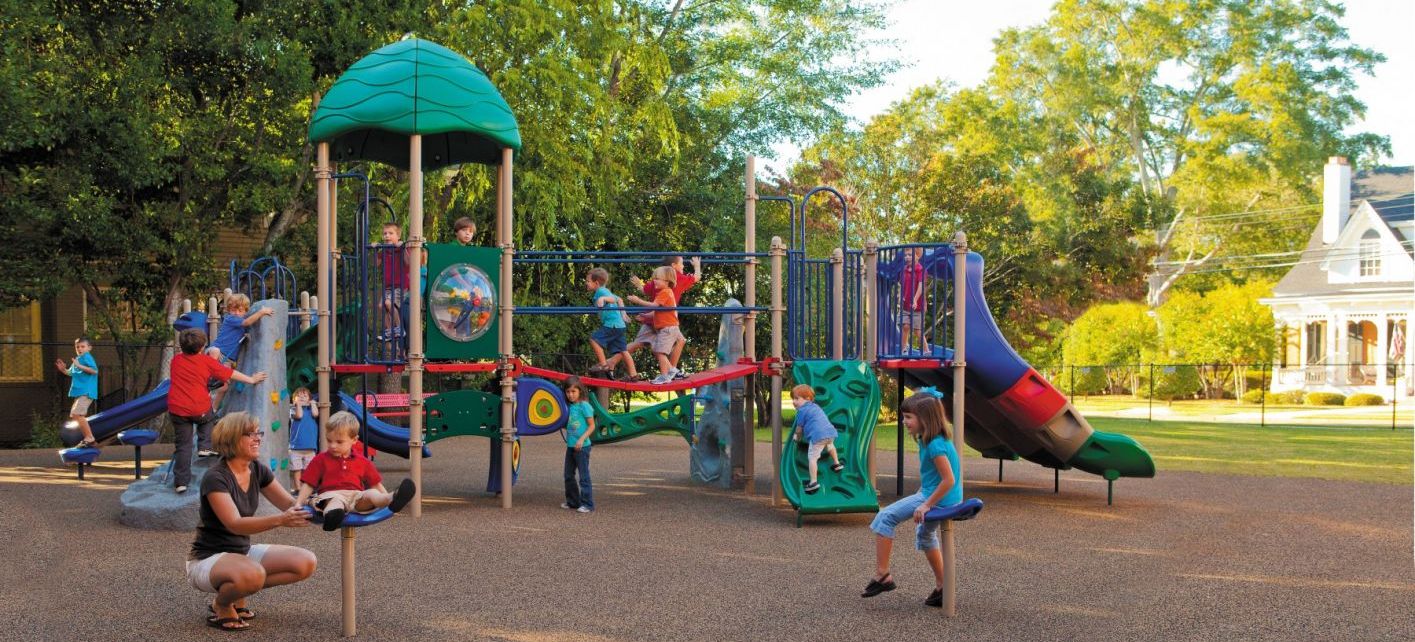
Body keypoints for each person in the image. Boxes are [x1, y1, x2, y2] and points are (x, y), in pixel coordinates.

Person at [187, 411, 316, 631]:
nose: (257, 438)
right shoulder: (216, 477)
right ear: (230, 439)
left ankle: (240, 587)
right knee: (254, 574)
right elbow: (235, 523)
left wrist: (327, 505)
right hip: (208, 559)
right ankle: (222, 603)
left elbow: (289, 504)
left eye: (258, 432)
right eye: (250, 434)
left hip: (241, 553)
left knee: (305, 562)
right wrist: (280, 520)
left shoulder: (257, 469)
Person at [861, 389, 962, 608]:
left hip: (940, 497)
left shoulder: (935, 444)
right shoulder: (930, 440)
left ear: (925, 418)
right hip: (938, 495)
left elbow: (949, 480)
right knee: (925, 535)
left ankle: (883, 575)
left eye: (908, 417)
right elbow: (935, 478)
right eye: (904, 416)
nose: (904, 421)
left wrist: (926, 504)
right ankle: (942, 586)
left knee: (885, 517)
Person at [169, 328, 267, 493]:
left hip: (177, 409)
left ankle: (181, 483)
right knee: (208, 419)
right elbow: (230, 373)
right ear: (201, 348)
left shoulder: (176, 360)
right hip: (198, 407)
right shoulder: (206, 362)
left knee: (183, 446)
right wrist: (251, 379)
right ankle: (205, 445)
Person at [294, 411, 415, 531]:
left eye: (339, 442)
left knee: (371, 493)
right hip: (331, 495)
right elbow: (308, 484)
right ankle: (333, 517)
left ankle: (391, 498)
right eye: (329, 440)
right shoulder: (320, 459)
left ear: (354, 440)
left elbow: (375, 484)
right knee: (335, 502)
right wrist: (299, 503)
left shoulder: (362, 461)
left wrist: (386, 504)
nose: (332, 446)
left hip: (356, 497)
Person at [605, 255, 701, 376]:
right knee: (678, 341)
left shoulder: (657, 280)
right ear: (673, 266)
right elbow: (696, 277)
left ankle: (611, 361)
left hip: (654, 317)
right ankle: (672, 372)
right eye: (681, 263)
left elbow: (644, 290)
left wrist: (639, 285)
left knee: (639, 343)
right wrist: (697, 265)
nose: (683, 266)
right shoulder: (677, 277)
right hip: (663, 318)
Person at [207, 293, 274, 409]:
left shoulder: (242, 322)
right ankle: (209, 373)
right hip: (218, 353)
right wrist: (262, 312)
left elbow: (248, 327)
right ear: (229, 310)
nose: (237, 313)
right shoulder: (230, 319)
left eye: (241, 311)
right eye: (233, 310)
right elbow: (247, 322)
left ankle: (213, 408)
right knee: (215, 351)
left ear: (246, 311)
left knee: (224, 387)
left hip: (228, 359)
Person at [625, 266, 685, 385]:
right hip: (669, 327)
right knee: (657, 350)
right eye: (654, 278)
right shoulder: (664, 292)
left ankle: (664, 377)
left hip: (667, 328)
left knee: (660, 352)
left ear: (667, 281)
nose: (654, 281)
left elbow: (654, 306)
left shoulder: (665, 292)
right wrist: (645, 316)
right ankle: (672, 370)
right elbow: (656, 312)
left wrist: (638, 301)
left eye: (657, 279)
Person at [584, 268, 638, 381]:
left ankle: (604, 366)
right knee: (623, 350)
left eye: (588, 281)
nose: (586, 283)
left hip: (611, 325)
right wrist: (623, 314)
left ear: (596, 283)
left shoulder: (601, 292)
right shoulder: (605, 290)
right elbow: (619, 299)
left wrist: (603, 298)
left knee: (593, 339)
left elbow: (613, 299)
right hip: (619, 325)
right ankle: (634, 375)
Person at [790, 384, 843, 494]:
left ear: (808, 399)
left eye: (796, 399)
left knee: (812, 458)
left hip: (818, 436)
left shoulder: (801, 411)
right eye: (793, 399)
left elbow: (799, 428)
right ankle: (837, 463)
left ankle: (813, 482)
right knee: (830, 445)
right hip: (830, 432)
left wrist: (796, 437)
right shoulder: (816, 407)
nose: (794, 402)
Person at [560, 377, 597, 513]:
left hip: (582, 447)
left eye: (573, 391)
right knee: (568, 475)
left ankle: (588, 504)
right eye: (568, 391)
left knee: (584, 476)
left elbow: (592, 426)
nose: (570, 394)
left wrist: (581, 439)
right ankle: (573, 502)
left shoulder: (584, 406)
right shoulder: (568, 406)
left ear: (580, 391)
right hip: (570, 446)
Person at [54, 337, 99, 447]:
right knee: (76, 415)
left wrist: (79, 365)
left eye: (82, 346)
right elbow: (71, 373)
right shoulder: (78, 359)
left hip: (87, 391)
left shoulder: (86, 357)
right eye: (77, 347)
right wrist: (63, 370)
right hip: (80, 392)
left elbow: (94, 371)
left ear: (89, 348)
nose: (79, 348)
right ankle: (90, 440)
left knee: (76, 414)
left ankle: (90, 437)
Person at [377, 222, 408, 342]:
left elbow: (407, 262)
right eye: (385, 233)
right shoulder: (384, 250)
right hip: (388, 286)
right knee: (381, 306)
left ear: (398, 236)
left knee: (388, 303)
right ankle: (389, 331)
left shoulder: (400, 249)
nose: (387, 236)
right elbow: (376, 264)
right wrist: (377, 249)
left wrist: (402, 246)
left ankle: (399, 328)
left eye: (390, 233)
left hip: (400, 285)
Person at [287, 387, 318, 491]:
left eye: (305, 396)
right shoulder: (293, 409)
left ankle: (307, 488)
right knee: (297, 469)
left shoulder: (310, 409)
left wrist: (313, 404)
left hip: (310, 446)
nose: (302, 397)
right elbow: (299, 416)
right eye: (299, 396)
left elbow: (315, 414)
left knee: (308, 470)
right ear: (294, 399)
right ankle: (298, 488)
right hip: (296, 446)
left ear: (309, 399)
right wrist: (298, 405)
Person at [900, 247, 928, 354]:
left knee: (917, 330)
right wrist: (900, 296)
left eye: (910, 255)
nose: (907, 257)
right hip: (905, 305)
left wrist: (915, 299)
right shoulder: (904, 270)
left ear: (917, 256)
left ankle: (926, 351)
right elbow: (902, 285)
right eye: (906, 255)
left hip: (918, 306)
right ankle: (904, 349)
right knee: (905, 326)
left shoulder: (921, 270)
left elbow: (921, 286)